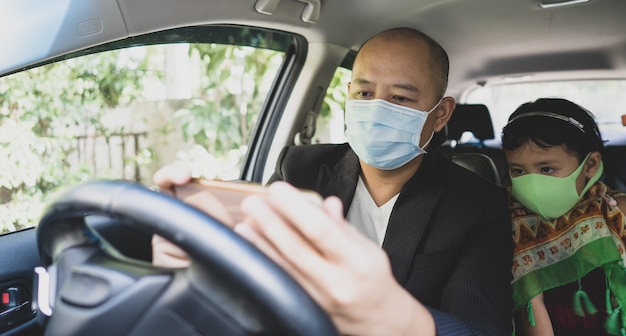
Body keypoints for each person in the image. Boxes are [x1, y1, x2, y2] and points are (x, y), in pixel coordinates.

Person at [152, 27, 513, 336]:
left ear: (441, 114)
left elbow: (479, 328)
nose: (376, 109)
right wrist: (198, 254)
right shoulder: (300, 168)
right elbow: (255, 267)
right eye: (364, 93)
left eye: (400, 98)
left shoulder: (478, 205)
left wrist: (395, 318)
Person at [502, 98, 626, 336]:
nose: (533, 184)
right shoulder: (510, 222)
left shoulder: (616, 211)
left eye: (547, 169)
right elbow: (530, 307)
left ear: (589, 165)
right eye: (518, 171)